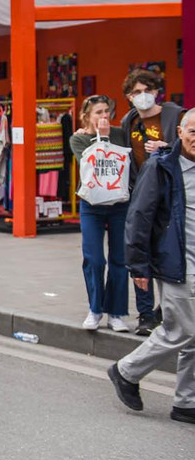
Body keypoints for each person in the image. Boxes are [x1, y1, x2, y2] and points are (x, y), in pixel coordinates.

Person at [108, 108, 195, 425]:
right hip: (176, 265)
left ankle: (186, 402)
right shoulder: (162, 166)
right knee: (183, 330)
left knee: (192, 335)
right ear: (180, 132)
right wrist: (138, 266)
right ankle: (126, 371)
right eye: (193, 131)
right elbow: (139, 217)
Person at [119, 69, 181, 336]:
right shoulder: (129, 121)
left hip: (170, 195)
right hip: (140, 194)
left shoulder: (175, 116)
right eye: (136, 92)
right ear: (128, 96)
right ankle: (146, 314)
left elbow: (188, 148)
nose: (142, 96)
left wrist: (168, 147)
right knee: (139, 252)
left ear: (156, 91)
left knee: (168, 252)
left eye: (147, 90)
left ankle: (165, 308)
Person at [71, 95, 131, 332]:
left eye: (107, 111)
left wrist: (108, 135)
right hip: (91, 205)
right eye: (98, 112)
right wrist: (102, 138)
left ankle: (116, 312)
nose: (104, 116)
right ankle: (95, 308)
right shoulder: (78, 138)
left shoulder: (120, 134)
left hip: (119, 204)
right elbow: (90, 164)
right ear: (87, 116)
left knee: (120, 260)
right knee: (94, 259)